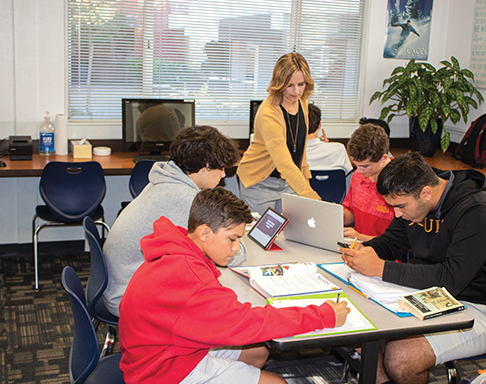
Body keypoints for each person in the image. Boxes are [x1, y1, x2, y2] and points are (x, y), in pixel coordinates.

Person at [119, 187, 350, 384]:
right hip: (160, 371)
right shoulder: (190, 277)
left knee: (257, 351)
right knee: (277, 382)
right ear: (205, 232)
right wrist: (323, 315)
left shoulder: (180, 249)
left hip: (166, 349)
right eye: (232, 239)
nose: (237, 247)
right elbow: (248, 323)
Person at [340, 152, 486, 384]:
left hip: (481, 309)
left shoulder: (477, 211)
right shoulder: (412, 200)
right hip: (427, 294)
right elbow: (391, 242)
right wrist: (363, 252)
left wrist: (380, 268)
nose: (397, 214)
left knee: (401, 358)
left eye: (400, 207)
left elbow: (451, 278)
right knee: (351, 320)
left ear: (425, 193)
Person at [102, 125, 241, 318]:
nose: (224, 175)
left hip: (121, 281)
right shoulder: (184, 199)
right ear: (205, 166)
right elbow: (220, 255)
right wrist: (239, 246)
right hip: (127, 296)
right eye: (221, 167)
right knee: (221, 307)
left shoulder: (164, 180)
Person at [237, 52, 321, 215]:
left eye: (301, 84)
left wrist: (306, 178)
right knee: (261, 237)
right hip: (260, 183)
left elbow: (300, 148)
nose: (296, 91)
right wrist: (314, 200)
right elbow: (284, 163)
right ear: (279, 83)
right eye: (290, 85)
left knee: (290, 234)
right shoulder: (269, 112)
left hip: (289, 182)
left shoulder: (301, 102)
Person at [342, 121, 394, 242]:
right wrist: (340, 217)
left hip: (385, 254)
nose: (359, 171)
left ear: (383, 158)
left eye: (365, 166)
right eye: (356, 165)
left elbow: (401, 243)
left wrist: (360, 237)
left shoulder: (400, 183)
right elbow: (351, 214)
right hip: (357, 246)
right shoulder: (357, 176)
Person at [305, 103, 353, 174]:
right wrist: (327, 146)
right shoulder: (339, 149)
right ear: (319, 125)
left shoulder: (291, 153)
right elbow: (348, 175)